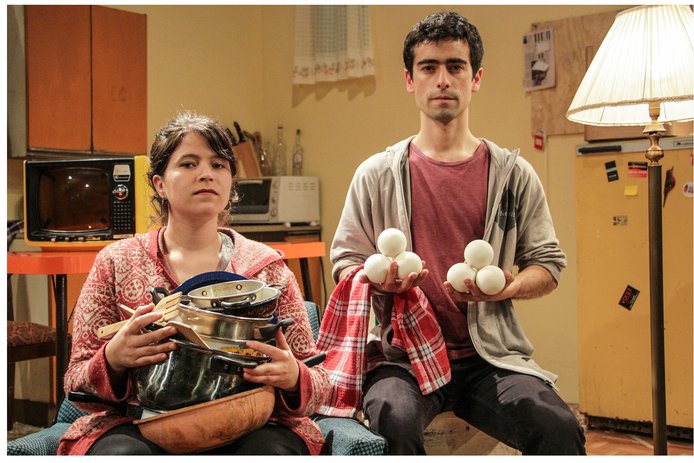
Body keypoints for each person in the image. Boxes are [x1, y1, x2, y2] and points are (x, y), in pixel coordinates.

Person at [327, 11, 586, 455]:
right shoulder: (376, 174)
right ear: (410, 80)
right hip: (402, 359)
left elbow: (548, 264)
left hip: (490, 360)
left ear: (476, 78)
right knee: (393, 419)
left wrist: (508, 287)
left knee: (558, 427)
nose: (442, 80)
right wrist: (379, 282)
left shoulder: (513, 175)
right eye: (429, 67)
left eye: (455, 66)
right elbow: (346, 261)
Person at [58, 112, 330, 455]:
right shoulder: (116, 262)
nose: (206, 174)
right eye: (188, 164)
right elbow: (75, 382)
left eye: (218, 165)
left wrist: (293, 377)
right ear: (160, 184)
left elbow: (321, 384)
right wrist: (113, 358)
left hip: (250, 422)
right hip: (142, 425)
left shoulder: (268, 269)